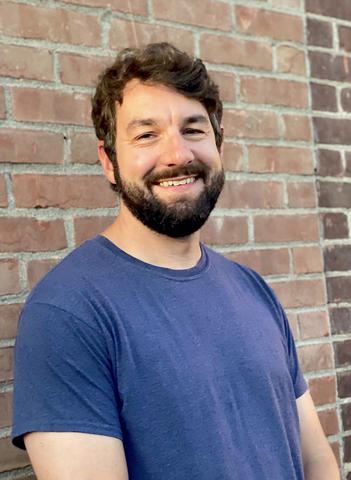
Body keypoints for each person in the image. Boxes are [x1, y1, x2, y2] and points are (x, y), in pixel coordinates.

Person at [12, 42, 339, 480]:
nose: (178, 155)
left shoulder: (253, 290)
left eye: (194, 129)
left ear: (219, 144)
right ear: (109, 161)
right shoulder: (69, 313)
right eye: (146, 134)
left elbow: (318, 465)